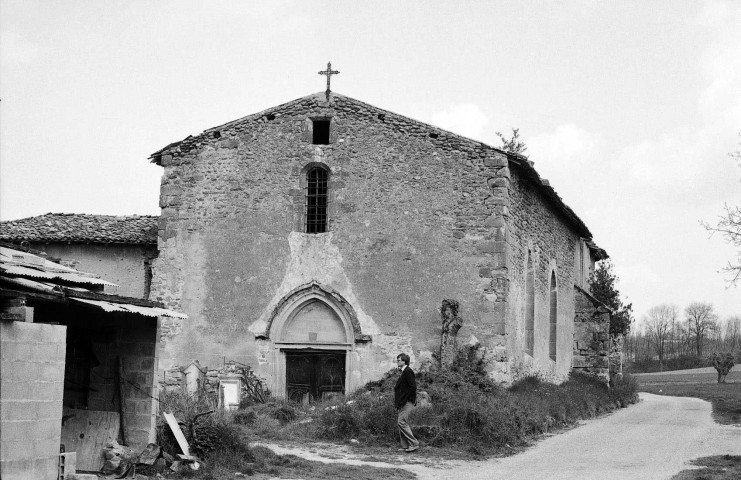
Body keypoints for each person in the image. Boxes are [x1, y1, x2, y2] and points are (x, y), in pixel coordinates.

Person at [394, 353, 420, 453]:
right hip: (403, 402)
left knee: (401, 422)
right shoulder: (403, 372)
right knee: (401, 422)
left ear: (404, 361)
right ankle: (405, 446)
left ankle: (414, 444)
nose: (397, 362)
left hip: (407, 402)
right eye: (397, 360)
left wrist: (407, 399)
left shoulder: (408, 371)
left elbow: (413, 387)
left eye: (399, 360)